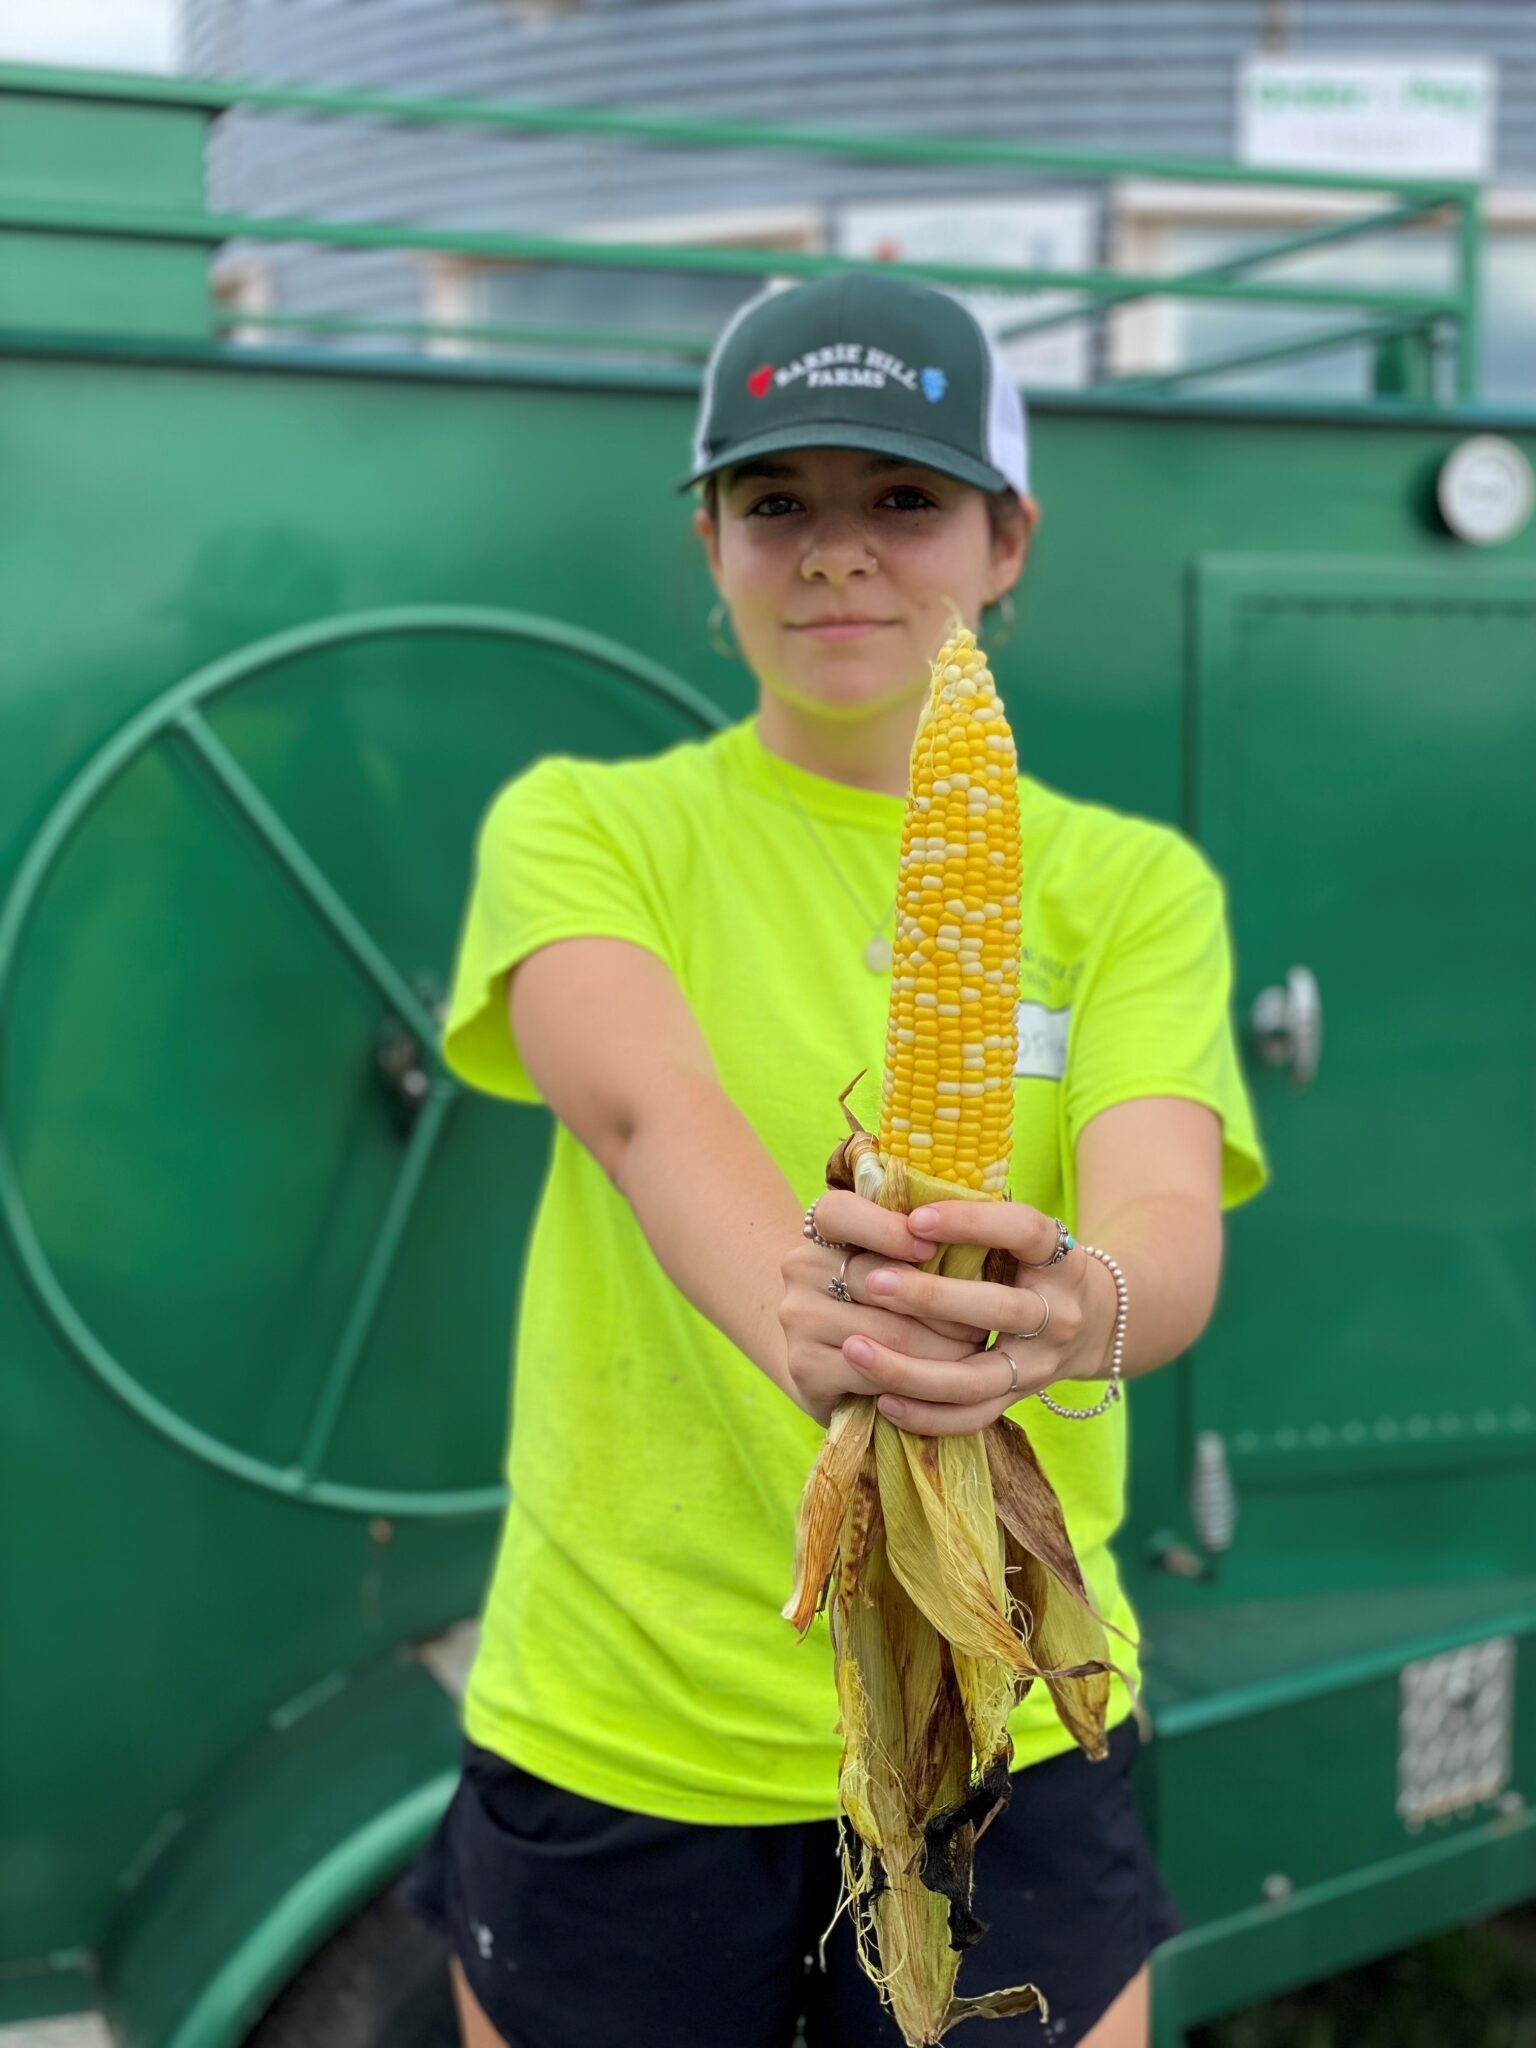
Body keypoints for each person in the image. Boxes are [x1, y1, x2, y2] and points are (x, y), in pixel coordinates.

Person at [401, 271, 1270, 2048]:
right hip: (627, 1723)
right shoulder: (586, 825)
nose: (839, 553)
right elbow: (649, 1114)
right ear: (708, 540)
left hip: (1007, 1716)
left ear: (1007, 537)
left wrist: (1077, 1310)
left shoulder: (1125, 887)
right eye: (778, 501)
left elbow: (1164, 1214)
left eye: (906, 500)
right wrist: (818, 1326)